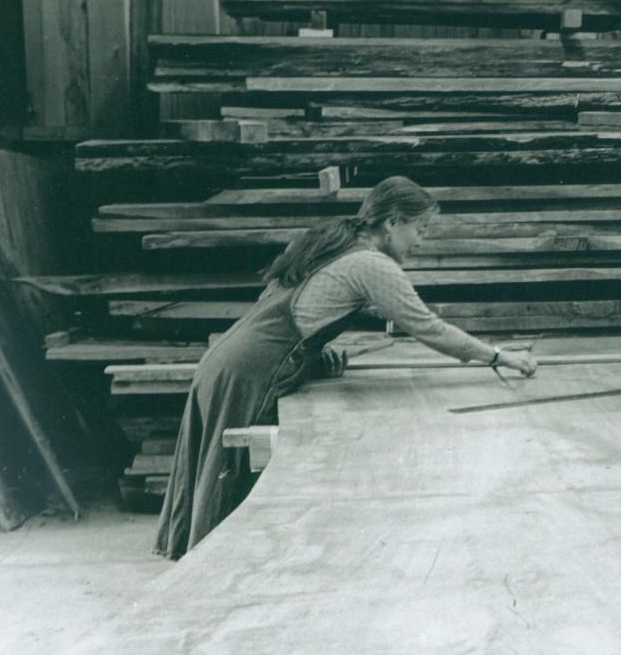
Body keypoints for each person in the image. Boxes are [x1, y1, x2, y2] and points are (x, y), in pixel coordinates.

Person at [154, 176, 538, 560]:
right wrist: (498, 356)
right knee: (231, 483)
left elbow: (283, 305)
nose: (420, 242)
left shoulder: (330, 242)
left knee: (220, 477)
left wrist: (313, 356)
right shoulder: (370, 264)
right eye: (419, 229)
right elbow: (427, 327)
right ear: (391, 223)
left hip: (228, 358)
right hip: (250, 372)